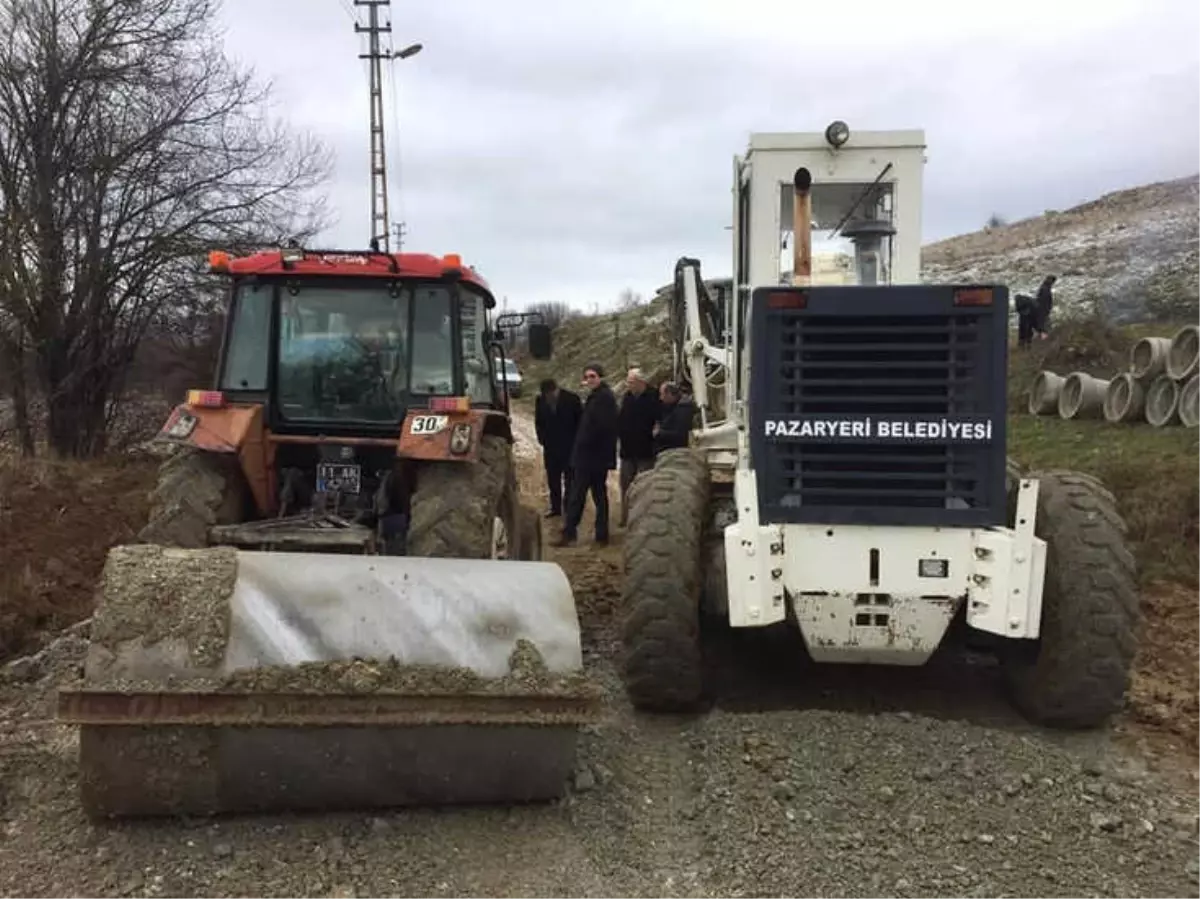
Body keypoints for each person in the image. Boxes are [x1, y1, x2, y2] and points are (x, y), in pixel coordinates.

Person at [556, 362, 618, 547]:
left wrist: (585, 445)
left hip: (594, 457)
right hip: (589, 456)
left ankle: (590, 535)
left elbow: (602, 428)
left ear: (600, 377)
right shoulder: (596, 397)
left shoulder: (605, 398)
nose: (589, 380)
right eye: (587, 377)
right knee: (586, 496)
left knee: (589, 496)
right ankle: (579, 533)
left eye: (593, 376)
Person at [616, 367, 660, 527]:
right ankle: (626, 516)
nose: (628, 385)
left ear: (641, 382)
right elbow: (621, 419)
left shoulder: (653, 397)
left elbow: (659, 420)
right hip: (627, 449)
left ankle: (645, 517)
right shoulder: (627, 397)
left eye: (631, 382)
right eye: (628, 381)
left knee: (645, 485)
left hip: (646, 449)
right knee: (625, 485)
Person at [533, 378, 582, 518]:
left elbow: (580, 422)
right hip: (550, 448)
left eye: (550, 394)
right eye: (545, 395)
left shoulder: (572, 399)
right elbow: (538, 422)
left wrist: (578, 443)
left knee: (570, 479)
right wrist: (541, 439)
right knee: (553, 479)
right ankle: (555, 508)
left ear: (556, 389)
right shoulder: (540, 400)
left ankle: (568, 507)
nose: (548, 397)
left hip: (569, 447)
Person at [653, 381, 694, 454]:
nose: (661, 398)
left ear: (669, 394)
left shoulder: (683, 409)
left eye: (662, 395)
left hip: (675, 452)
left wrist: (659, 433)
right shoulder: (670, 406)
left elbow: (681, 435)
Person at [1033, 275, 1056, 339]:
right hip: (1043, 311)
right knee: (1044, 327)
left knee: (1043, 326)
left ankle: (1041, 339)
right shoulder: (1045, 289)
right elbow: (1044, 301)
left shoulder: (1044, 287)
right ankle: (1044, 340)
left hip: (1042, 310)